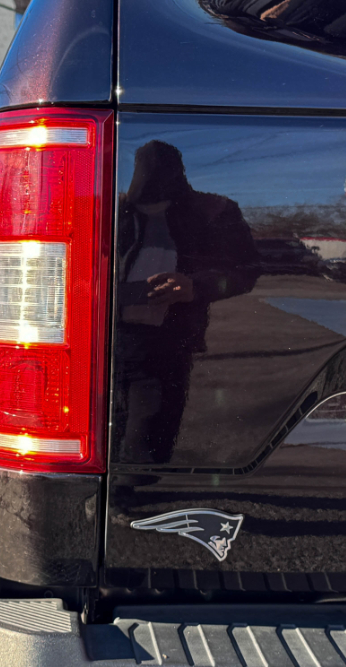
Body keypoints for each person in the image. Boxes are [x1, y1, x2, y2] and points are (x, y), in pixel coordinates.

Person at [114, 140, 261, 464]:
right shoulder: (114, 212)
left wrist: (195, 287)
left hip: (167, 346)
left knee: (147, 446)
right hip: (107, 344)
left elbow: (246, 269)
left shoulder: (212, 211)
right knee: (103, 441)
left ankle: (134, 490)